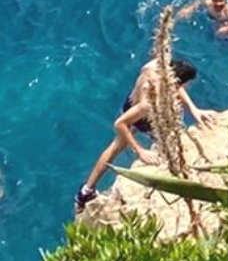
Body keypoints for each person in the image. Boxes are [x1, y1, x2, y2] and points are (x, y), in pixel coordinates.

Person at [75, 57, 209, 212]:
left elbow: (174, 86)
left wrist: (194, 109)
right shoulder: (151, 100)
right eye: (186, 84)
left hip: (131, 104)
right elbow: (120, 124)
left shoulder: (155, 65)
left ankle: (85, 191)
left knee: (114, 148)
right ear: (177, 83)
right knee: (163, 143)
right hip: (143, 117)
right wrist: (140, 151)